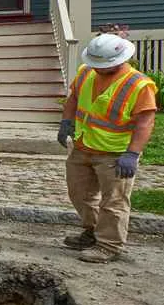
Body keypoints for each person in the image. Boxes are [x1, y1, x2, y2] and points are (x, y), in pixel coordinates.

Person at [58, 33, 157, 263]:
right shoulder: (86, 72)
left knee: (114, 201)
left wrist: (132, 153)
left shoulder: (138, 85)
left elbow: (145, 121)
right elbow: (73, 99)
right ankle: (91, 232)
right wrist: (66, 123)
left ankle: (109, 245)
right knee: (80, 194)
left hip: (115, 153)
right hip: (83, 145)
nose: (98, 69)